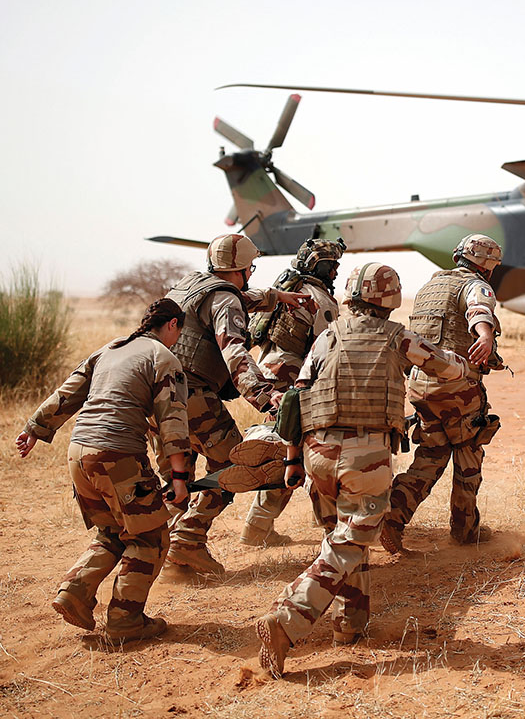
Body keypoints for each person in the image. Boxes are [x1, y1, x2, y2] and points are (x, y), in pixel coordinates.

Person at [256, 263, 467, 679]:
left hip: (316, 453)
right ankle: (286, 619)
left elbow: (296, 400)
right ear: (390, 299)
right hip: (364, 456)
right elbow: (448, 368)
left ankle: (350, 625)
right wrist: (460, 360)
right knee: (350, 543)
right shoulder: (397, 337)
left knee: (340, 537)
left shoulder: (327, 336)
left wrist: (293, 459)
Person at [15, 299, 191, 643]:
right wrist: (179, 478)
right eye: (179, 332)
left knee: (111, 531)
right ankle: (126, 620)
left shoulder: (110, 348)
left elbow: (68, 391)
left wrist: (34, 428)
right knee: (150, 538)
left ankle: (74, 593)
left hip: (79, 453)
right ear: (172, 324)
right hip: (116, 455)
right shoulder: (163, 358)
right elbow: (172, 422)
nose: (177, 339)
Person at [159, 233, 312, 575]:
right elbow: (234, 352)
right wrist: (265, 396)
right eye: (251, 268)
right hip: (191, 396)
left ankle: (163, 554)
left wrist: (276, 296)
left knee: (176, 477)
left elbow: (235, 298)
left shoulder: (188, 286)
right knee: (233, 468)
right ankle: (187, 540)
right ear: (241, 268)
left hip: (156, 397)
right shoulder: (225, 300)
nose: (251, 274)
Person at [379, 233, 505, 552]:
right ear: (487, 265)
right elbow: (479, 309)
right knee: (468, 452)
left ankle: (392, 518)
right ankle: (465, 530)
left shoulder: (430, 287)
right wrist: (486, 336)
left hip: (422, 384)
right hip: (456, 385)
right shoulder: (475, 284)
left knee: (430, 455)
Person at [240, 237, 345, 547]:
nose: (335, 271)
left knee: (284, 451)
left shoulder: (286, 287)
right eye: (332, 265)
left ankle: (258, 528)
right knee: (297, 453)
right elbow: (325, 350)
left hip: (269, 375)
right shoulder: (318, 298)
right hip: (291, 383)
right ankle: (325, 529)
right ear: (319, 266)